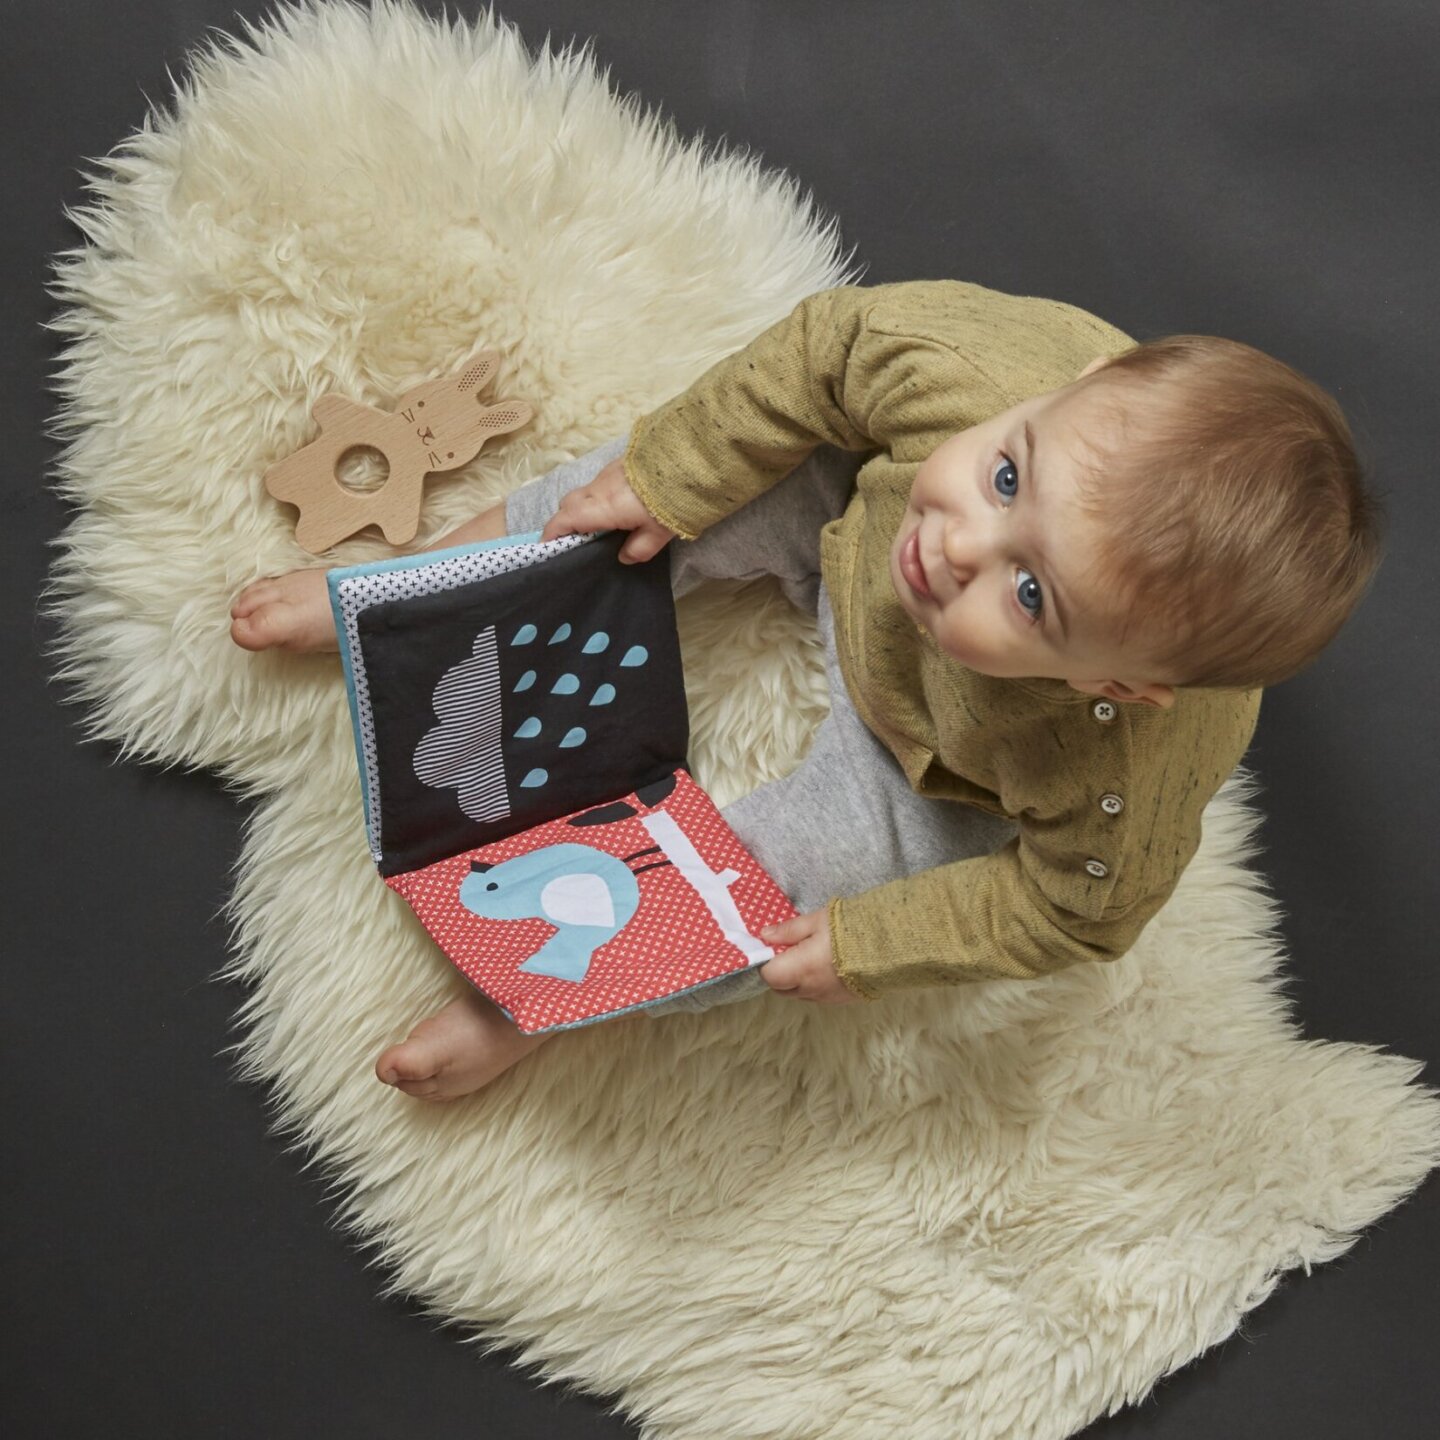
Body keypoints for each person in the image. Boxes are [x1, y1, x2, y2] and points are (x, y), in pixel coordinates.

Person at [229, 279, 1383, 1102]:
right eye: (1005, 475)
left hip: (931, 763)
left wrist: (876, 943)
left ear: (1115, 682)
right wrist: (672, 475)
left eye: (1032, 594)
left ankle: (538, 996)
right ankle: (415, 593)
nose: (959, 548)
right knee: (611, 510)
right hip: (851, 517)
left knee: (766, 917)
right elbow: (824, 348)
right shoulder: (973, 369)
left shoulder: (1113, 780)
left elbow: (1077, 913)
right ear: (1074, 386)